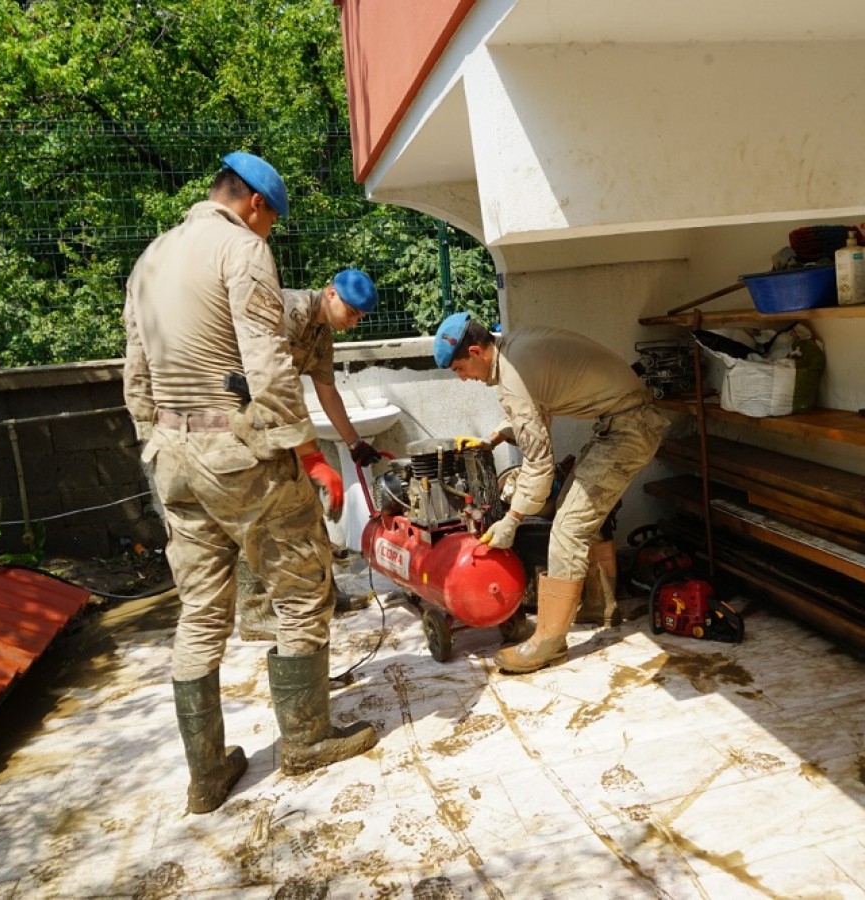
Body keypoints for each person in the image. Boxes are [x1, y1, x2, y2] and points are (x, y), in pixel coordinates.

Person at [122, 151, 376, 814]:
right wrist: (308, 454)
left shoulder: (150, 257)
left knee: (201, 611)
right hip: (235, 450)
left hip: (171, 453)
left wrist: (155, 441)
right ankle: (305, 740)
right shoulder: (240, 250)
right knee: (300, 585)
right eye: (271, 222)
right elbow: (266, 367)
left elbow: (135, 374)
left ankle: (205, 776)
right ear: (255, 205)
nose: (269, 234)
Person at [433, 313, 670, 673]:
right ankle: (599, 604)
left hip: (628, 429)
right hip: (624, 421)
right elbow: (535, 409)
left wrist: (512, 519)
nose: (463, 379)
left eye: (460, 369)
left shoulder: (513, 377)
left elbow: (539, 462)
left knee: (568, 526)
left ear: (477, 351)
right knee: (575, 510)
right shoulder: (516, 349)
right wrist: (494, 437)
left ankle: (549, 642)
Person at [236, 270, 384, 638]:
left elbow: (327, 392)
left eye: (359, 318)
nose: (353, 321)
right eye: (351, 312)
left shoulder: (322, 336)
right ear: (330, 293)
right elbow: (272, 384)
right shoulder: (285, 310)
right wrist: (314, 458)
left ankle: (325, 596)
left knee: (309, 510)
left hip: (277, 424)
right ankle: (254, 614)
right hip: (240, 419)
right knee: (257, 516)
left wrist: (354, 443)